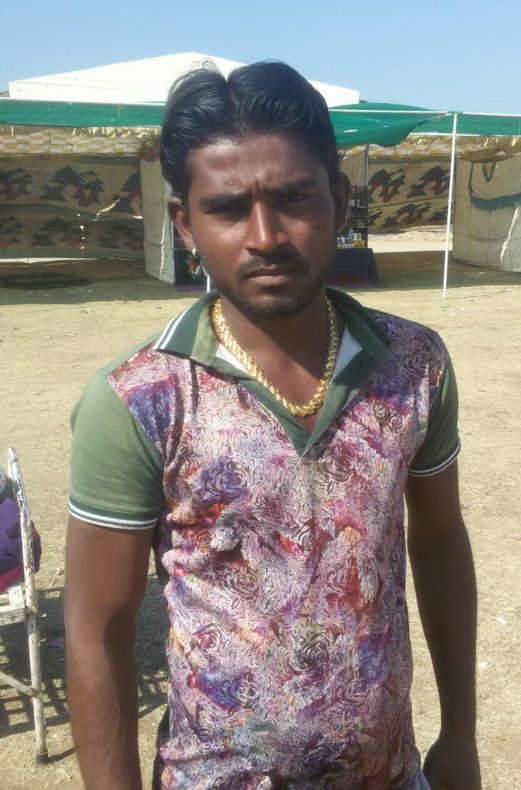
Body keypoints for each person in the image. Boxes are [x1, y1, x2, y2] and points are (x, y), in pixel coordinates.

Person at [64, 61, 480, 790]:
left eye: (293, 198)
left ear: (339, 199)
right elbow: (97, 631)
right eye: (228, 208)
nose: (265, 236)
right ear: (184, 224)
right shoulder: (140, 400)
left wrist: (461, 735)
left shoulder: (413, 365)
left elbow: (441, 542)